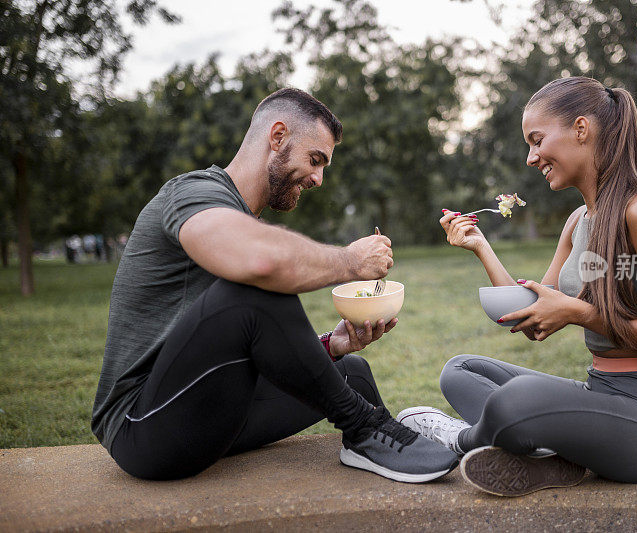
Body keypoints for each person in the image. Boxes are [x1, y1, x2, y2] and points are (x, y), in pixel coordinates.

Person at [91, 88, 458, 482]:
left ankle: (397, 442)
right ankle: (365, 427)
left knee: (352, 371)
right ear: (278, 136)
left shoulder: (241, 220)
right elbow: (262, 264)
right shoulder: (192, 194)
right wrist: (351, 262)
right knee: (253, 288)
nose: (318, 178)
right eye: (315, 160)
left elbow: (227, 346)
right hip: (144, 427)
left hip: (207, 410)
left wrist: (327, 347)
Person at [399, 77, 637, 497]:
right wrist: (480, 246)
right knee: (461, 370)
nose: (531, 157)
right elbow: (532, 317)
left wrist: (581, 313)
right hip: (603, 396)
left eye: (537, 140)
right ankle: (547, 458)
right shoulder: (578, 222)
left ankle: (458, 441)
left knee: (518, 400)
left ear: (582, 129)